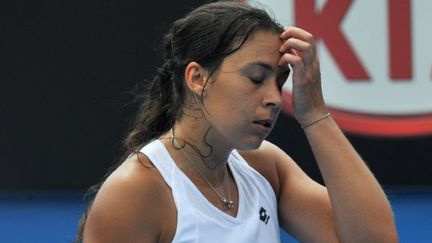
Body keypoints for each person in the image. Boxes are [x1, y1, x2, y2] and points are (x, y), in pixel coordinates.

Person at [76, 1, 398, 242]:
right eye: (256, 78)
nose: (274, 97)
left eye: (279, 81)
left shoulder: (266, 168)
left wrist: (315, 113)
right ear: (197, 78)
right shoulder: (135, 191)